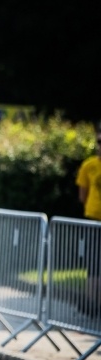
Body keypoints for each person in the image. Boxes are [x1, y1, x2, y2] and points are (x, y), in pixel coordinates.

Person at [76, 130, 101, 316]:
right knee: (93, 264)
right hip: (93, 219)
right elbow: (82, 195)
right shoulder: (89, 165)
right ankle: (92, 304)